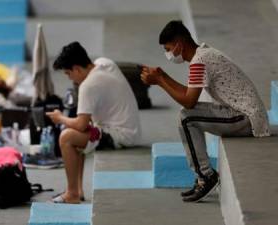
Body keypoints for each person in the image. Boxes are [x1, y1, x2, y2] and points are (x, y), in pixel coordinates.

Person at [140, 20, 270, 202]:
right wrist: (163, 76)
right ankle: (203, 176)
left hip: (245, 117)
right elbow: (188, 93)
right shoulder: (203, 54)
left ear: (179, 44)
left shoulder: (200, 61)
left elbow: (189, 102)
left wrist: (160, 82)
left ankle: (206, 176)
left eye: (168, 49)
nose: (167, 54)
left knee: (186, 117)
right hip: (245, 113)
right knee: (187, 116)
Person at [46, 42, 142, 204]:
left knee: (67, 137)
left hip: (120, 135)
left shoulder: (88, 85)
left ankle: (72, 193)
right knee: (78, 134)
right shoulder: (104, 63)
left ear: (77, 68)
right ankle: (78, 190)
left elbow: (81, 124)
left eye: (69, 74)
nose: (70, 79)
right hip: (129, 129)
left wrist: (60, 117)